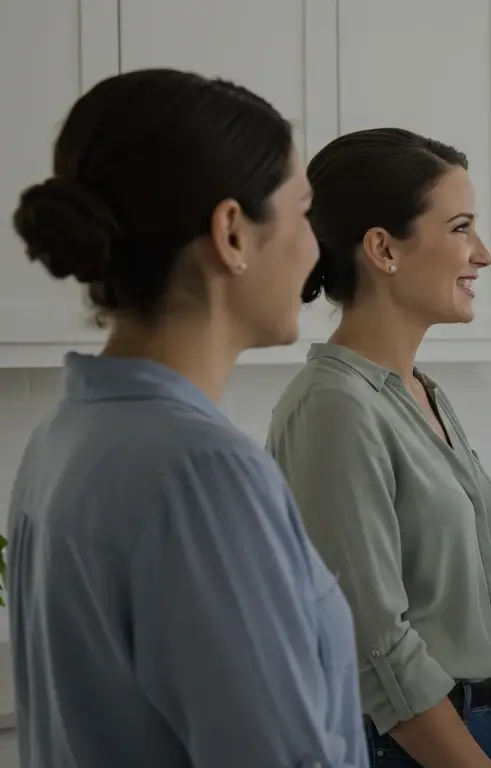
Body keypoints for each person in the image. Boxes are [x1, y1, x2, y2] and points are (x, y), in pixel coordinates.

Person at [5, 68, 365, 767]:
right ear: (232, 233)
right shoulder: (203, 474)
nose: (316, 247)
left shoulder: (63, 436)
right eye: (302, 214)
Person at [266, 128, 491, 768]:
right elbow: (375, 644)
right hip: (405, 748)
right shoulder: (333, 408)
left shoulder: (422, 394)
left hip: (478, 728)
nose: (484, 253)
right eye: (461, 228)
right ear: (383, 249)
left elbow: (472, 613)